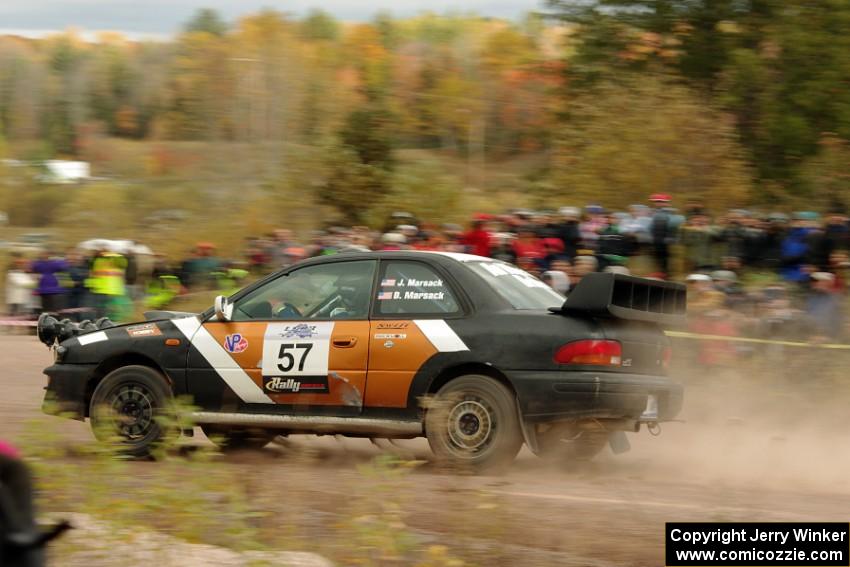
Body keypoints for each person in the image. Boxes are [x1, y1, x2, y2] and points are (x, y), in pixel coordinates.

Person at [649, 194, 674, 277]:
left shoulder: (669, 212)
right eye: (656, 202)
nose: (657, 203)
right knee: (657, 255)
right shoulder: (653, 212)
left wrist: (670, 237)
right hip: (656, 237)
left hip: (664, 237)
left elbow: (672, 225)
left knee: (664, 256)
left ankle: (665, 273)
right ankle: (660, 272)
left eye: (660, 202)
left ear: (666, 203)